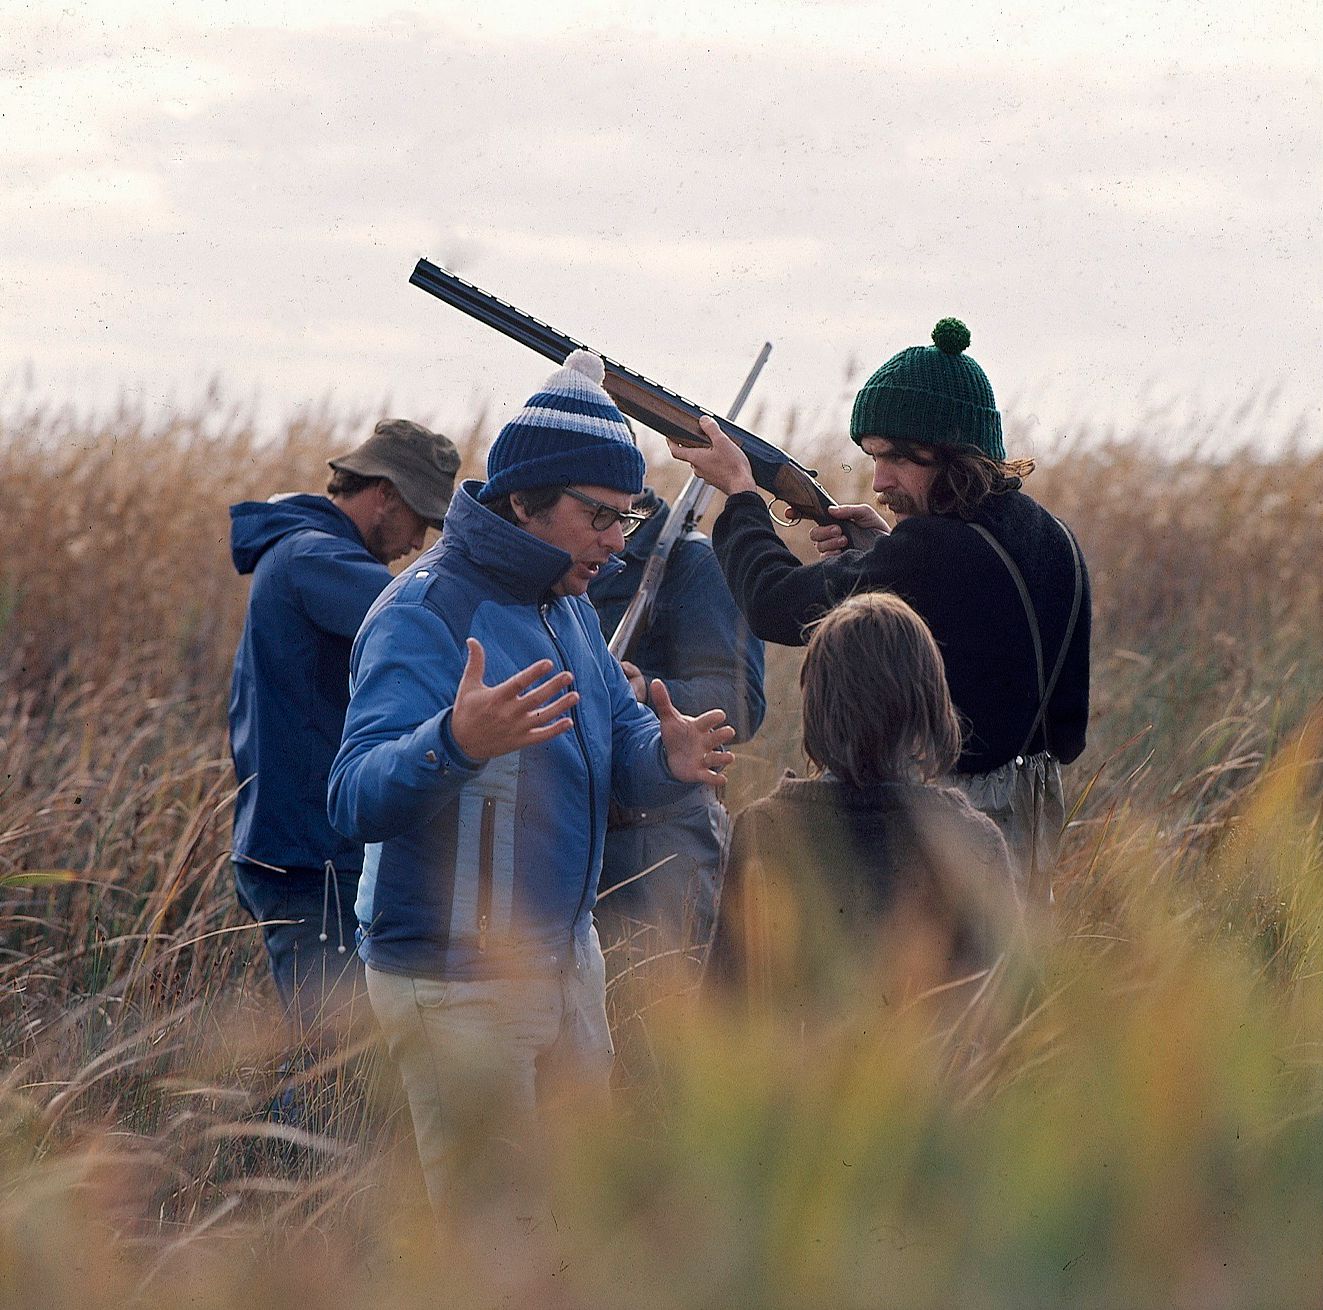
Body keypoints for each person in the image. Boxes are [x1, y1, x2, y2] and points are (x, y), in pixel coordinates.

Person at [327, 350, 736, 1217]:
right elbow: (352, 795)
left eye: (627, 516)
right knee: (494, 1238)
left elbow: (622, 738)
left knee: (584, 1219)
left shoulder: (570, 606)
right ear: (523, 502)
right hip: (456, 980)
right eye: (599, 515)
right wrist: (452, 743)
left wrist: (665, 760)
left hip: (565, 959)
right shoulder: (424, 612)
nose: (617, 541)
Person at [670, 318, 1090, 901]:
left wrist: (741, 496)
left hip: (947, 822)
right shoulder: (1050, 534)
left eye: (896, 458)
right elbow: (972, 610)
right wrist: (883, 551)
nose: (879, 480)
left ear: (952, 456)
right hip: (1027, 814)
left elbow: (772, 604)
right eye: (872, 456)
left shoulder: (931, 552)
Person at [228, 418, 461, 1051]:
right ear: (384, 494)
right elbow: (422, 621)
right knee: (335, 1062)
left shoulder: (304, 551)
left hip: (299, 846)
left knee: (334, 1053)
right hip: (310, 856)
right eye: (418, 519)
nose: (417, 543)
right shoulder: (318, 558)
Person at [709, 592, 1016, 1008]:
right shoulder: (972, 840)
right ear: (928, 705)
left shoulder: (765, 830)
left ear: (818, 706)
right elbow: (1012, 1020)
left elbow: (722, 1006)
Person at [587, 484, 766, 980]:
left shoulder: (693, 564)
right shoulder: (561, 563)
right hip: (583, 836)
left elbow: (741, 701)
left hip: (660, 845)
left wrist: (646, 690)